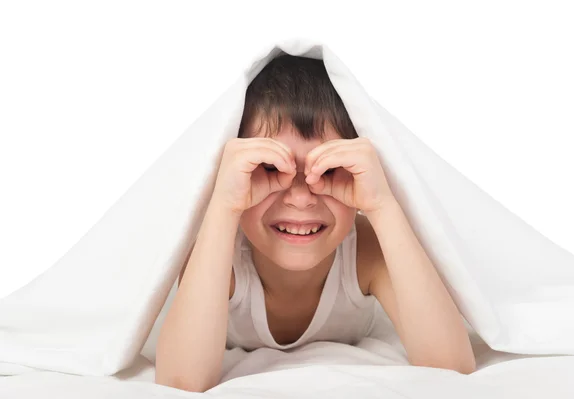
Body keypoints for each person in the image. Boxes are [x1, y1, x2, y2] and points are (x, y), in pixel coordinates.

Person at [155, 54, 476, 392]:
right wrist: (222, 204)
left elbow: (451, 367)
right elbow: (181, 382)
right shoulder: (217, 252)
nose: (301, 198)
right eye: (269, 167)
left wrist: (382, 204)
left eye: (329, 169)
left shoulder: (365, 251)